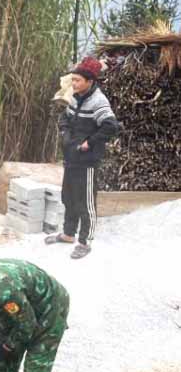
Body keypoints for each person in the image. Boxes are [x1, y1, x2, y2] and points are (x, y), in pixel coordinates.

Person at [48, 55, 120, 259]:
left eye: (77, 80)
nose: (74, 83)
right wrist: (64, 134)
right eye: (73, 79)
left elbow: (111, 126)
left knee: (86, 202)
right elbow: (65, 118)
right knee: (68, 197)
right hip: (71, 157)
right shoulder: (75, 97)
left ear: (90, 81)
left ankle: (85, 241)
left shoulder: (98, 101)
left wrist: (90, 143)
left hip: (87, 161)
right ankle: (68, 234)